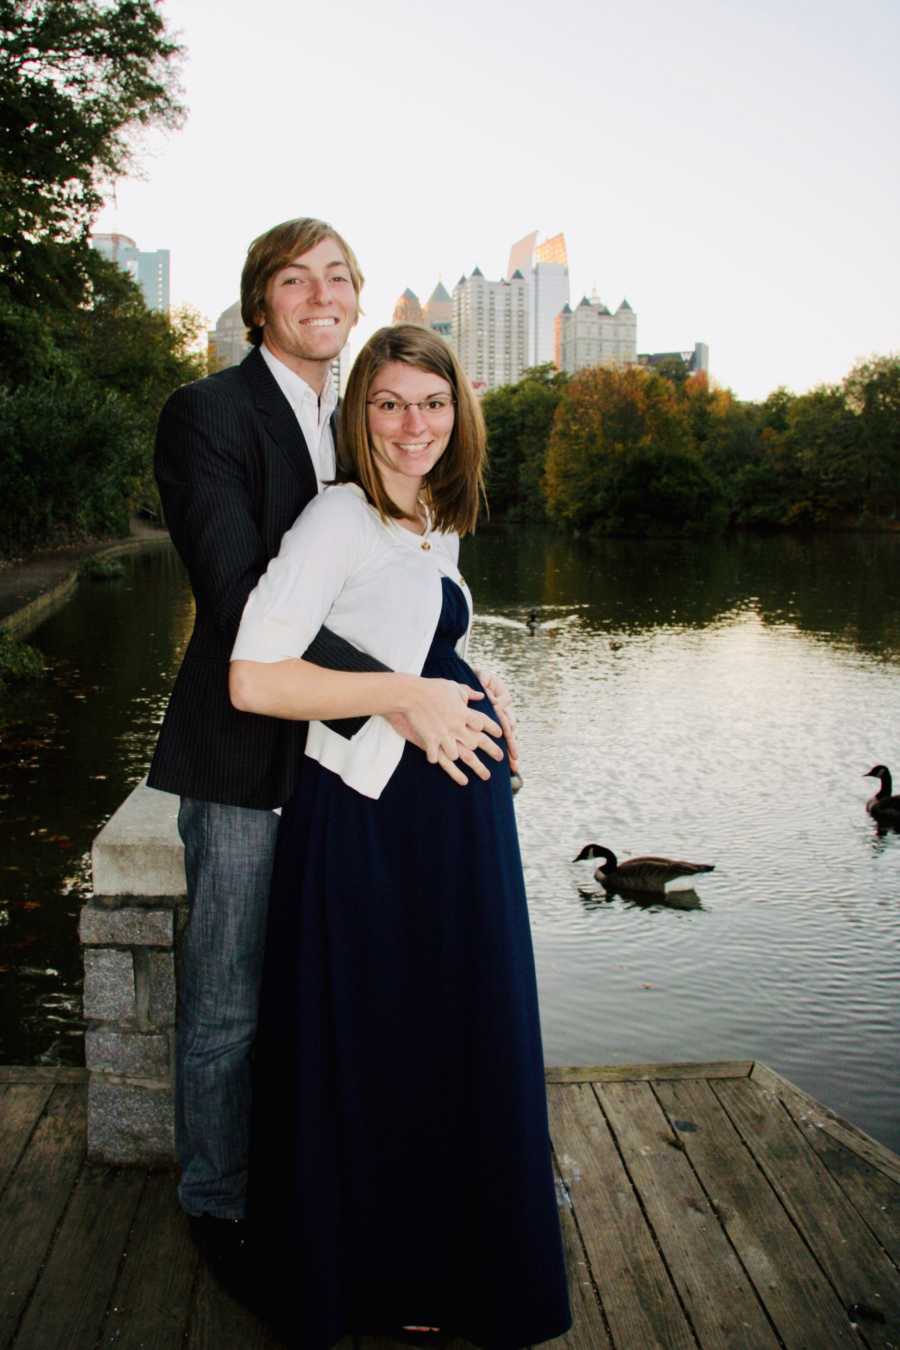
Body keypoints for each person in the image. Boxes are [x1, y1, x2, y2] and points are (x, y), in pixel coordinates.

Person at [147, 219, 504, 1275]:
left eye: (338, 277)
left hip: (348, 777)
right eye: (294, 280)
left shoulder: (361, 423)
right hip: (243, 755)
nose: (320, 295)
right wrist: (411, 696)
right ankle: (216, 1207)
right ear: (261, 303)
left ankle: (314, 1181)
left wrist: (470, 680)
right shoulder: (206, 414)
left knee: (320, 996)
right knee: (226, 1001)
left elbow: (396, 587)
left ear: (357, 300)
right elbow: (244, 604)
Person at [229, 324, 572, 1348]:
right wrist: (406, 697)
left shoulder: (431, 519)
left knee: (444, 1042)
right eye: (389, 403)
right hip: (377, 832)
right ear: (359, 415)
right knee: (384, 1044)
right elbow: (255, 678)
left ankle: (440, 1269)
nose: (413, 423)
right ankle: (383, 1277)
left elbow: (420, 644)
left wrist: (477, 684)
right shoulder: (340, 516)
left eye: (432, 402)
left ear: (459, 412)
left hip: (453, 830)